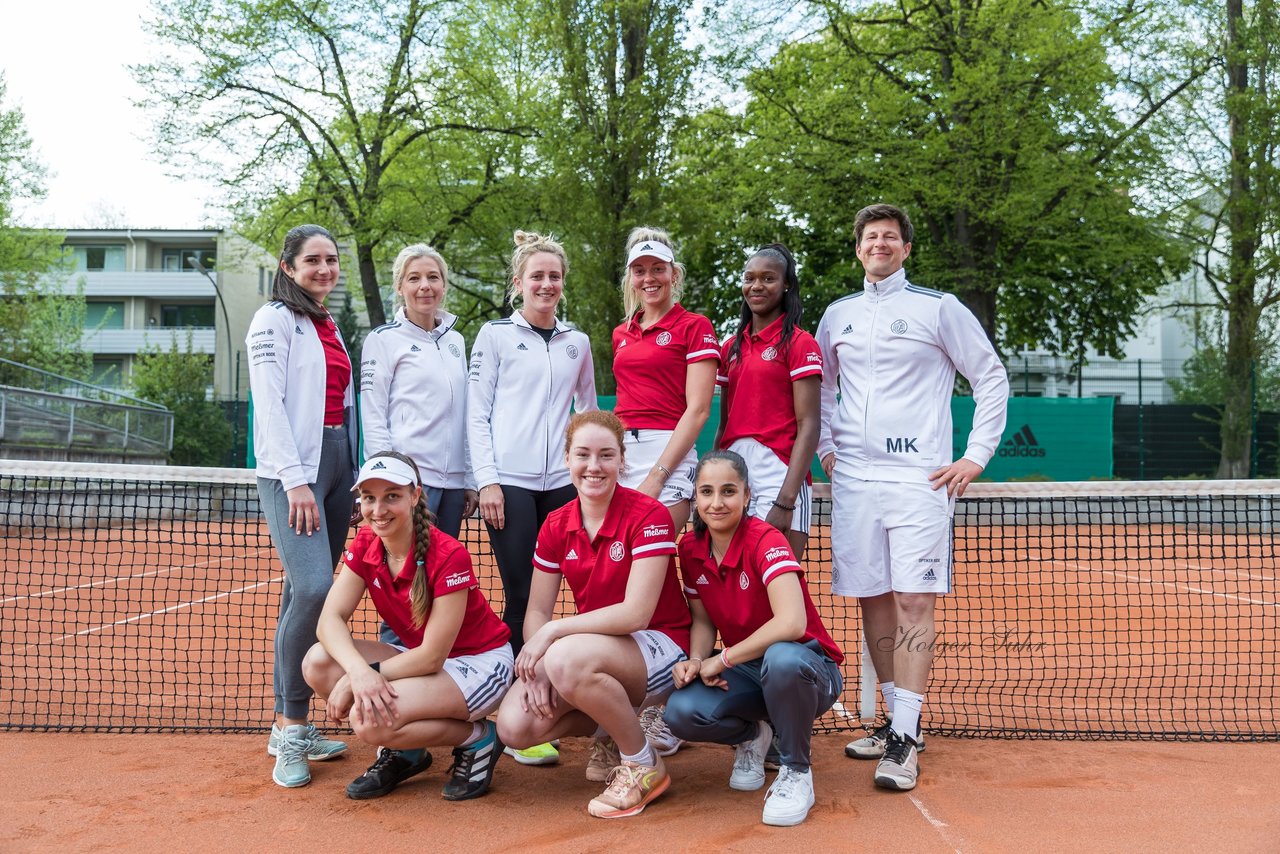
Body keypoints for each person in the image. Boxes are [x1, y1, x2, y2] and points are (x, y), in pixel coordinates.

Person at [816, 203, 1009, 791]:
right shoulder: (838, 315)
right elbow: (822, 387)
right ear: (858, 249)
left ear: (905, 249)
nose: (880, 244)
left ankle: (905, 735)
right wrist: (828, 447)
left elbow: (990, 375)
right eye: (871, 236)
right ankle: (894, 723)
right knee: (871, 598)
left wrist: (976, 456)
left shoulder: (939, 308)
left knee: (914, 601)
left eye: (890, 237)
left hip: (919, 480)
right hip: (854, 481)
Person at [494, 411, 691, 819]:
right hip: (598, 649)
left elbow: (637, 614)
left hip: (662, 645)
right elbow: (535, 611)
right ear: (567, 459)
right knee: (514, 726)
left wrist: (552, 639)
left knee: (565, 659)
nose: (594, 466)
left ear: (622, 461)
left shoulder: (649, 515)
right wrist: (540, 665)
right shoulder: (555, 524)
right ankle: (609, 729)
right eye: (583, 454)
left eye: (606, 455)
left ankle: (642, 762)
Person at [302, 452, 512, 800]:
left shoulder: (448, 554)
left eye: (392, 496)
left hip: (479, 665)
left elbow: (432, 657)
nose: (378, 509)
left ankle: (479, 738)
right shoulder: (367, 543)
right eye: (369, 497)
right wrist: (359, 673)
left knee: (369, 721)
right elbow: (330, 620)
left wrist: (370, 675)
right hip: (422, 661)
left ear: (415, 496)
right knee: (318, 662)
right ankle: (408, 751)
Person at [468, 230, 597, 766]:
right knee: (523, 597)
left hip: (565, 486)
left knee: (588, 593)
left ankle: (587, 698)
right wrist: (487, 480)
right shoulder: (495, 336)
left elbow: (588, 415)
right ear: (518, 283)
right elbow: (477, 412)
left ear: (562, 284)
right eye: (536, 276)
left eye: (554, 276)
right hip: (512, 485)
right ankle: (521, 710)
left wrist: (592, 475)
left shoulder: (578, 342)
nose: (546, 284)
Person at [664, 451, 843, 827]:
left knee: (782, 658)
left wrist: (722, 659)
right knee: (680, 711)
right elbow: (702, 619)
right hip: (747, 669)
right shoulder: (690, 549)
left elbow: (792, 623)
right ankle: (754, 735)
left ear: (747, 496)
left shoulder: (766, 539)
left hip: (808, 668)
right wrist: (698, 660)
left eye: (729, 491)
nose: (717, 503)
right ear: (695, 497)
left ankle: (796, 771)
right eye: (707, 491)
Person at [247, 224, 358, 787]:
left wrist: (353, 472)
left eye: (332, 260)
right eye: (312, 260)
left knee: (302, 590)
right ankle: (291, 727)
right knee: (316, 589)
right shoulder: (272, 319)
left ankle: (290, 724)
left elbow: (342, 400)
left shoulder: (326, 321)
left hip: (338, 464)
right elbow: (269, 404)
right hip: (295, 471)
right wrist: (295, 481)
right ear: (288, 267)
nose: (325, 269)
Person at [611, 226, 718, 754]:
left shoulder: (695, 326)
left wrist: (657, 474)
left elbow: (697, 410)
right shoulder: (621, 332)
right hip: (624, 455)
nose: (649, 278)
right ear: (631, 277)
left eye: (658, 269)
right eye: (640, 270)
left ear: (674, 274)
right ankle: (644, 696)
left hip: (669, 455)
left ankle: (662, 709)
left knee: (648, 567)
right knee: (626, 574)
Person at [360, 244, 478, 538]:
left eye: (433, 277)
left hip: (453, 486)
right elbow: (373, 415)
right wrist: (385, 480)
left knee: (440, 576)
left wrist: (470, 479)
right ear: (399, 287)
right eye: (414, 278)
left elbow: (464, 413)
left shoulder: (456, 342)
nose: (425, 286)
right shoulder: (382, 340)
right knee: (404, 575)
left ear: (443, 285)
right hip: (406, 483)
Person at [715, 243, 822, 559]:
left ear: (786, 284)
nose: (756, 286)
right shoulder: (730, 348)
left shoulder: (801, 343)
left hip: (781, 473)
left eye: (768, 278)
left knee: (778, 588)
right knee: (732, 583)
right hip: (735, 471)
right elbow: (724, 425)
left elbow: (810, 425)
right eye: (750, 278)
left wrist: (785, 500)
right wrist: (711, 481)